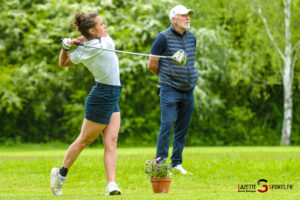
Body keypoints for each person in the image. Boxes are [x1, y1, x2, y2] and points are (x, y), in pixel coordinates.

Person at [50, 12, 122, 195]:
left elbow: (67, 58)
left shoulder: (92, 45)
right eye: (102, 24)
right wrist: (66, 47)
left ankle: (111, 184)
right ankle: (60, 174)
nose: (105, 27)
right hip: (102, 96)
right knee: (84, 140)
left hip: (112, 94)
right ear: (93, 30)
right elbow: (63, 63)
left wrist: (70, 44)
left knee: (111, 141)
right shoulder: (94, 47)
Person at [147, 5, 198, 174]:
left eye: (188, 15)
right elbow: (152, 64)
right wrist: (164, 79)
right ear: (174, 19)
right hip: (169, 89)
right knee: (167, 125)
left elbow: (189, 62)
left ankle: (176, 163)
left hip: (188, 89)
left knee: (182, 128)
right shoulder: (162, 38)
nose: (187, 18)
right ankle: (160, 164)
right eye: (183, 15)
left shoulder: (192, 38)